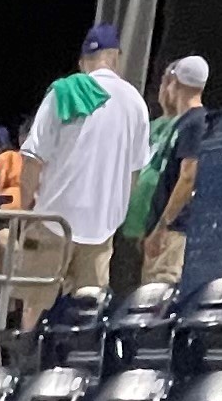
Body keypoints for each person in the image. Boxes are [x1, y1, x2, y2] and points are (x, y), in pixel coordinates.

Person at [16, 22, 151, 297]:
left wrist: (25, 210)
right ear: (116, 57)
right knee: (86, 314)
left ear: (82, 62)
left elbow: (33, 158)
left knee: (34, 309)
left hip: (53, 221)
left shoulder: (64, 91)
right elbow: (134, 175)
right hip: (101, 230)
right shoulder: (136, 103)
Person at [128, 55, 211, 287]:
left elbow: (187, 176)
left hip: (171, 233)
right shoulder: (183, 122)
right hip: (163, 230)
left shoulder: (195, 122)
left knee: (158, 296)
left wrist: (162, 227)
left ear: (176, 83)